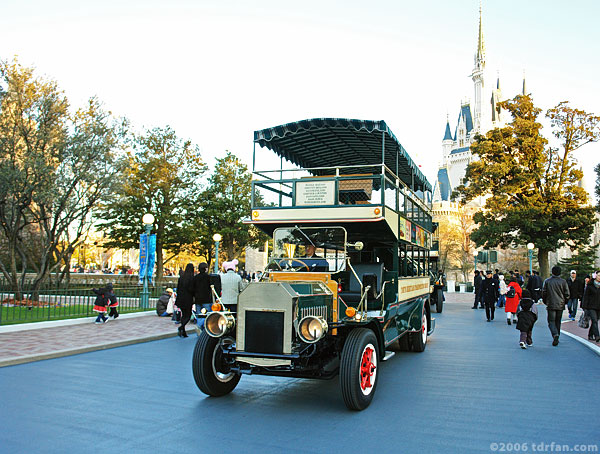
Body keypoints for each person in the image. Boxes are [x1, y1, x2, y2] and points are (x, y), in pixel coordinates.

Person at [542, 265, 570, 346]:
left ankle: (555, 334)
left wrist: (545, 301)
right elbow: (567, 294)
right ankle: (557, 334)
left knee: (551, 321)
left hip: (551, 303)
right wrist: (565, 301)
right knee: (558, 321)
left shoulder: (547, 281)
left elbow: (544, 292)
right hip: (560, 303)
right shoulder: (563, 281)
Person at [175, 263, 195, 338]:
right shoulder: (192, 278)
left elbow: (178, 288)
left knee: (184, 315)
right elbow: (191, 289)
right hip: (188, 299)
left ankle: (183, 330)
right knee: (188, 315)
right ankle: (182, 327)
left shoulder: (181, 278)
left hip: (181, 299)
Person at [193, 262, 215, 329]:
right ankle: (206, 328)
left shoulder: (195, 277)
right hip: (207, 299)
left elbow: (193, 288)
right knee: (207, 315)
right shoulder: (209, 277)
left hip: (198, 299)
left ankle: (200, 327)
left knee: (199, 315)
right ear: (205, 269)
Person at [581, 270, 600, 342]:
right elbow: (586, 296)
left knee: (595, 321)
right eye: (598, 275)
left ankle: (590, 334)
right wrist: (584, 307)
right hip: (591, 306)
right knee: (594, 320)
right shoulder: (590, 285)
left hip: (599, 306)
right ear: (595, 276)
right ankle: (597, 335)